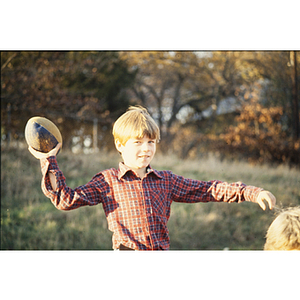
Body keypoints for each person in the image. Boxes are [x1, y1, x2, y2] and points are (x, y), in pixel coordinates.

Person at [28, 106, 276, 250]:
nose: (146, 148)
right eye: (137, 142)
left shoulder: (165, 181)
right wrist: (48, 159)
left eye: (151, 142)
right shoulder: (107, 181)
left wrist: (251, 192)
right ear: (120, 145)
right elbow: (65, 200)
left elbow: (208, 189)